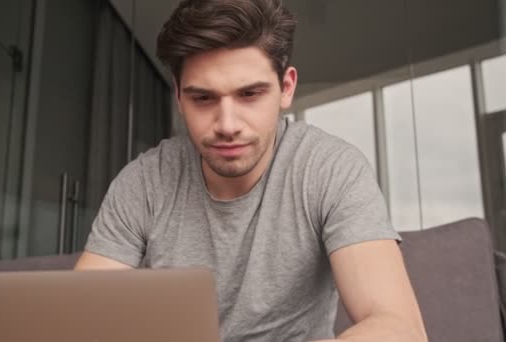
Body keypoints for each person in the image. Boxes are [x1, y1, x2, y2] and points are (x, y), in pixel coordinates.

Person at [75, 0, 428, 341]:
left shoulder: (331, 169)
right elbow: (79, 319)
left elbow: (400, 330)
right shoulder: (143, 183)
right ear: (179, 96)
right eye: (203, 98)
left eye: (249, 94)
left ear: (286, 88)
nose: (227, 125)